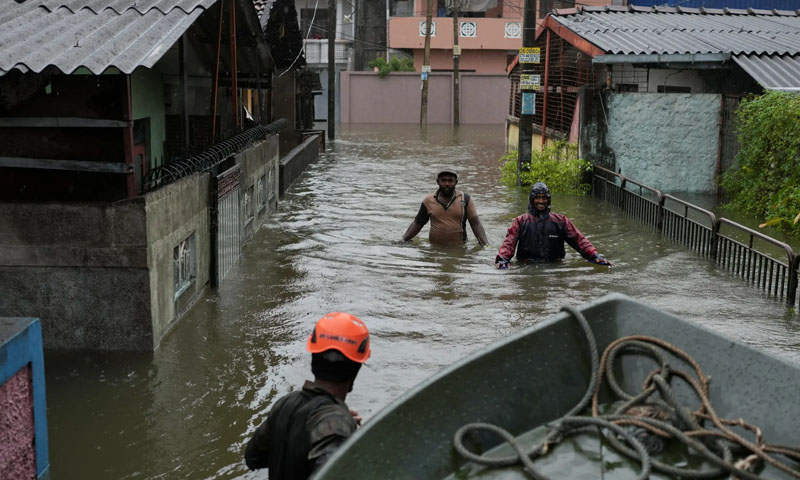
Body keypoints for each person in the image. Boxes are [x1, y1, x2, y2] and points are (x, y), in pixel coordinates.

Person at [244, 312, 371, 478]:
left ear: (314, 359)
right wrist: (344, 432)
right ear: (356, 369)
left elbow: (253, 458)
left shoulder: (285, 404)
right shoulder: (336, 424)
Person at [495, 182, 612, 268]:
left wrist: (595, 256)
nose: (541, 201)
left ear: (549, 200)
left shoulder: (561, 221)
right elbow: (508, 243)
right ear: (532, 200)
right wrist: (502, 260)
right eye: (537, 198)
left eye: (544, 198)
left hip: (555, 267)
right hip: (527, 266)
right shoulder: (521, 221)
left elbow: (579, 240)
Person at [401, 168, 490, 246]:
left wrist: (485, 244)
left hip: (459, 247)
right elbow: (418, 223)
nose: (447, 183)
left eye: (450, 181)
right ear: (438, 182)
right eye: (443, 180)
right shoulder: (428, 200)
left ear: (456, 182)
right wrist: (403, 240)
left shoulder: (465, 199)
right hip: (434, 248)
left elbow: (475, 224)